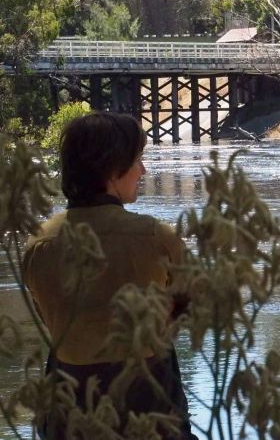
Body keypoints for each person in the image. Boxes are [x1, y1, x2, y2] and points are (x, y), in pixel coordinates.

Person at [22, 112, 196, 439]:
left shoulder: (38, 243)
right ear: (112, 169)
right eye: (138, 160)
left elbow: (50, 319)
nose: (143, 170)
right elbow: (187, 308)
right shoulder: (157, 238)